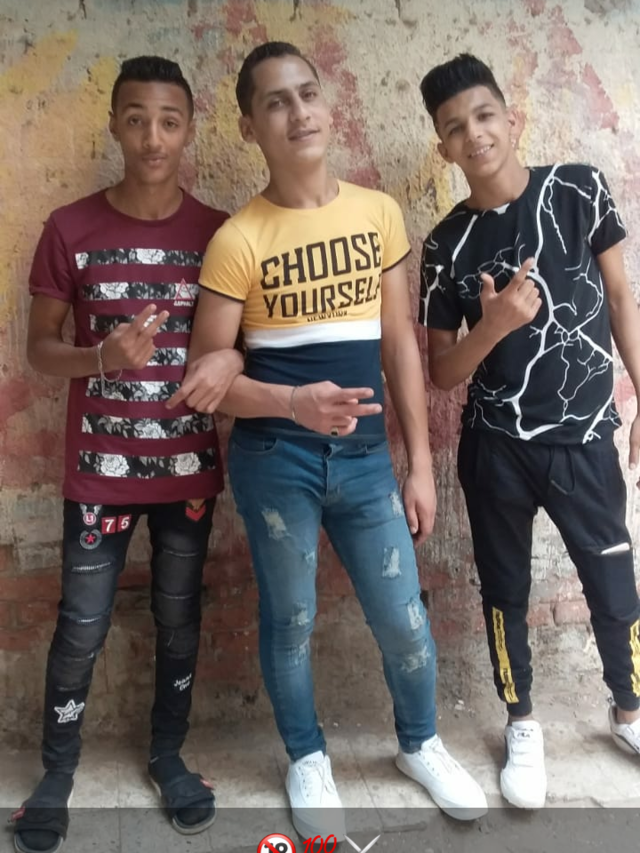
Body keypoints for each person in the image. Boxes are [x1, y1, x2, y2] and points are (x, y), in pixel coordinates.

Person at [169, 41, 488, 840]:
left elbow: (401, 347)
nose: (299, 112)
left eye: (307, 93)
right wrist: (290, 402)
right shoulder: (239, 238)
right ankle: (307, 755)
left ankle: (420, 742)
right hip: (275, 462)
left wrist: (419, 465)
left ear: (328, 103)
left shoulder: (377, 214)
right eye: (276, 101)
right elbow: (206, 382)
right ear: (249, 126)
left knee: (403, 617)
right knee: (291, 620)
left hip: (367, 459)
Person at [11, 56, 242, 853]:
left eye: (169, 121)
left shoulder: (220, 234)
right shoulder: (69, 228)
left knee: (179, 621)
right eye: (136, 118)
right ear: (113, 124)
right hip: (98, 476)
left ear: (190, 129)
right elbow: (39, 350)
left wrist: (230, 361)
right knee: (81, 627)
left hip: (188, 474)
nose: (152, 137)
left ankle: (168, 756)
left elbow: (245, 345)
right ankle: (56, 773)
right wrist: (101, 356)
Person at [418, 53, 640, 809]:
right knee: (504, 590)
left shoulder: (577, 189)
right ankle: (522, 723)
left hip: (584, 437)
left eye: (484, 115)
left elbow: (620, 297)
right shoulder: (446, 244)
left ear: (513, 119)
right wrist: (495, 325)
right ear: (443, 147)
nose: (474, 134)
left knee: (612, 581)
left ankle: (629, 709)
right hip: (497, 448)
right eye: (455, 127)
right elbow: (442, 371)